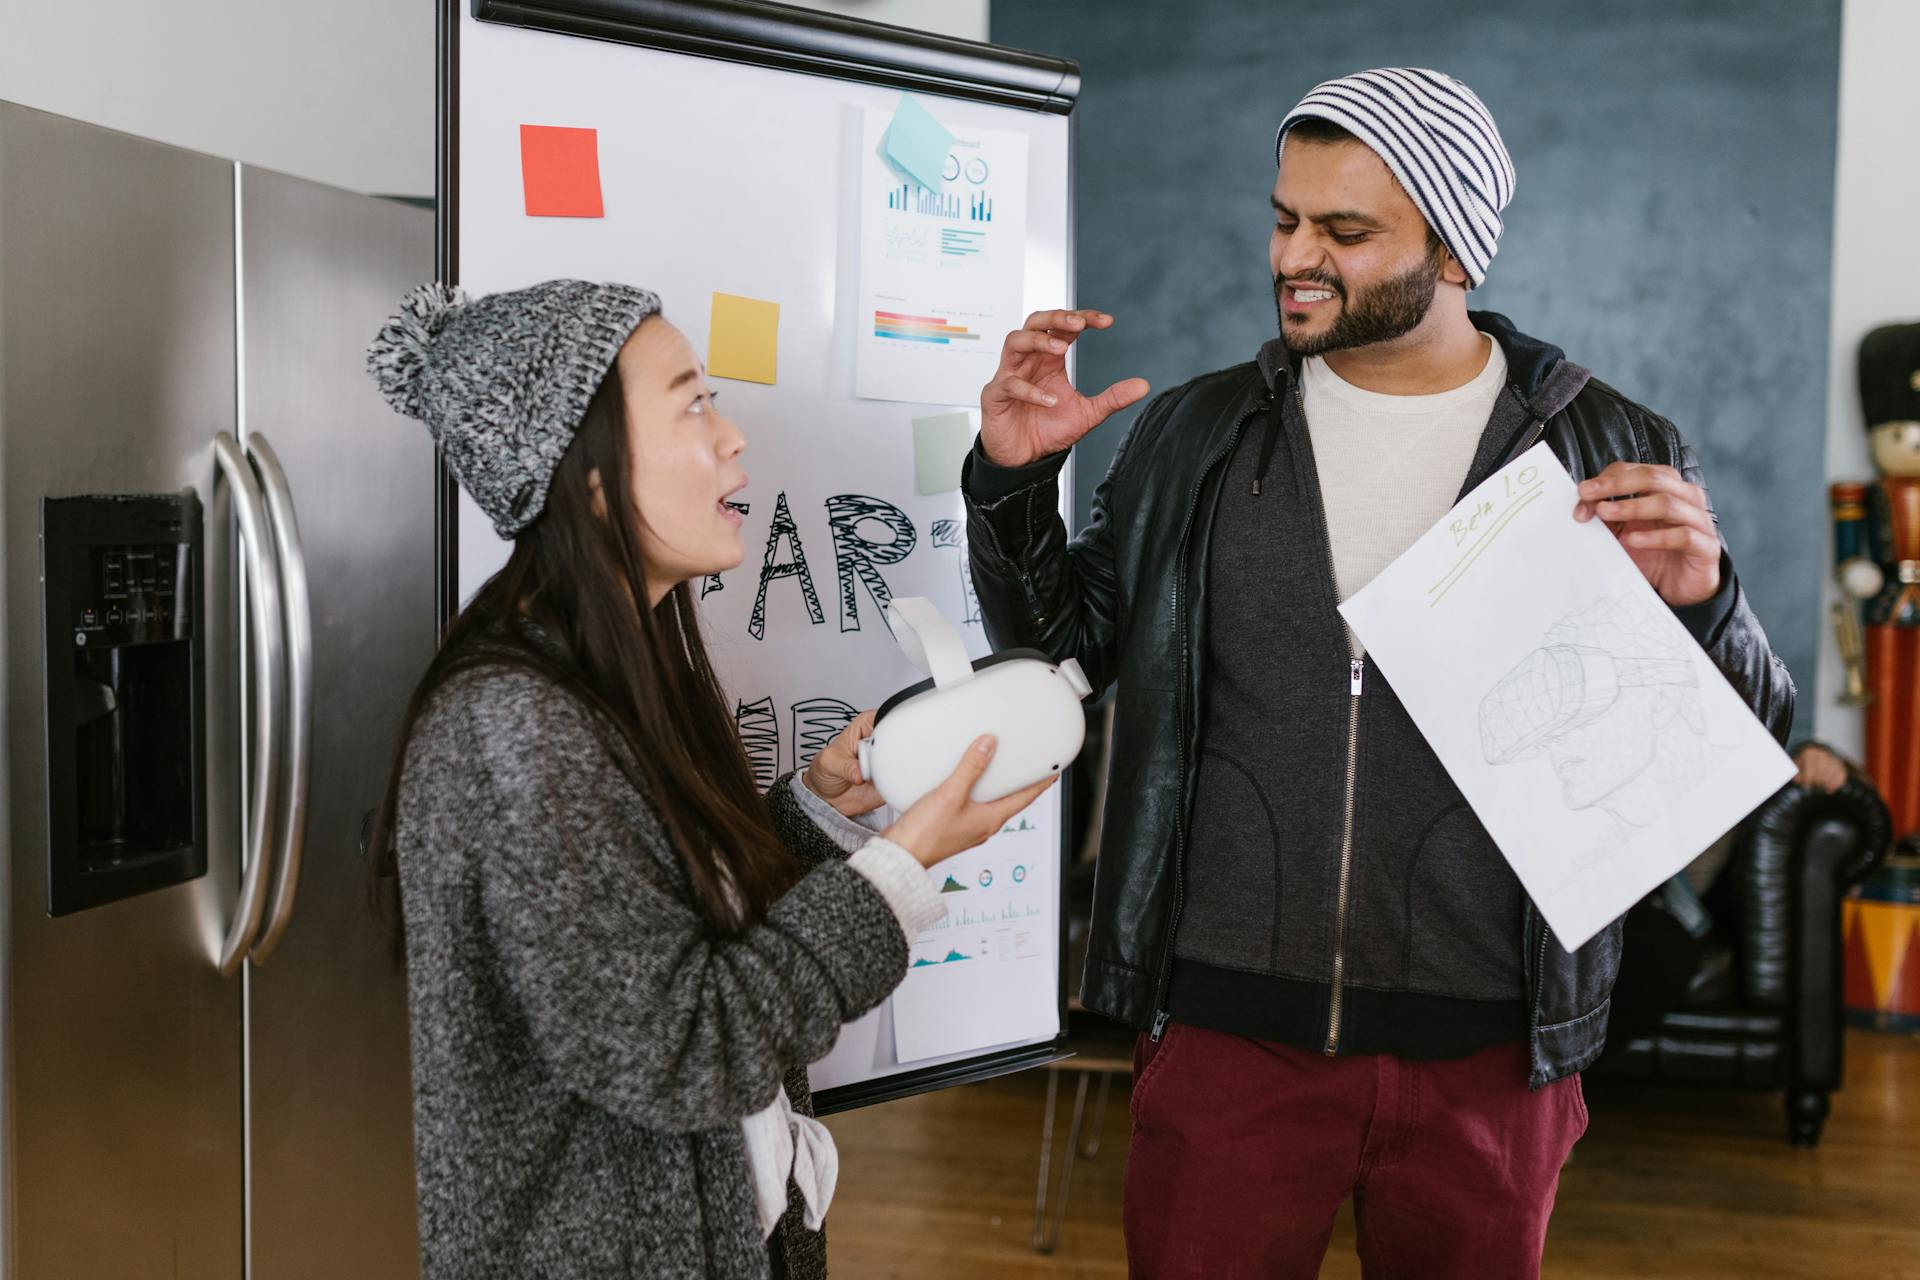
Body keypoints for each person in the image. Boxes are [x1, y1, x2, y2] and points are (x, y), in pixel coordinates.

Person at [960, 68, 1794, 1277]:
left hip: (1491, 1054)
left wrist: (1712, 605)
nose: (1296, 254)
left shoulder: (1611, 446)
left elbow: (1744, 737)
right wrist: (1011, 483)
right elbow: (1057, 649)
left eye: (1345, 231)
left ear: (1456, 255)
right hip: (1225, 1033)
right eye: (1286, 217)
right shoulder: (1196, 434)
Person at [362, 279, 1055, 1280]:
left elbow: (660, 930)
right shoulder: (510, 727)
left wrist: (813, 813)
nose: (734, 438)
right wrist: (898, 871)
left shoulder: (620, 668)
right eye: (692, 403)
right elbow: (681, 1045)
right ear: (588, 476)